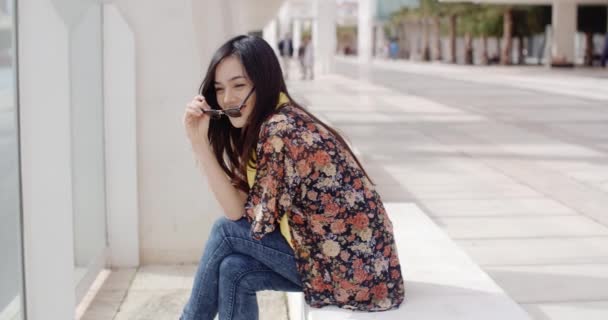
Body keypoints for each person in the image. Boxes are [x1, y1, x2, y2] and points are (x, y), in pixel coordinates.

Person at [181, 35, 405, 320]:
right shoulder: (280, 118)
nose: (227, 99)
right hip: (369, 271)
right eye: (220, 89)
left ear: (263, 82)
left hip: (353, 272)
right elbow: (243, 205)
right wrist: (200, 142)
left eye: (239, 85)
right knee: (234, 270)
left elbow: (237, 216)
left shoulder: (280, 130)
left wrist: (199, 145)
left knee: (224, 231)